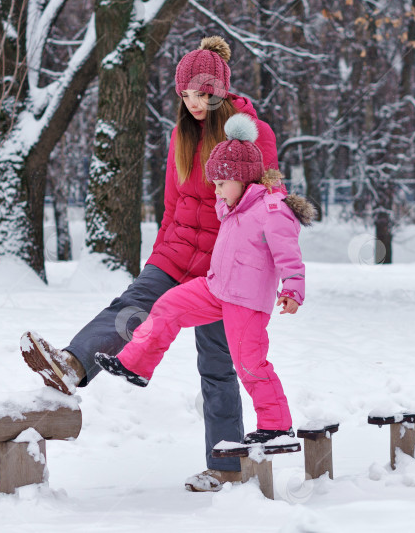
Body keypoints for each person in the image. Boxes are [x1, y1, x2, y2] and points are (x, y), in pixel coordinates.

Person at [20, 36, 279, 492]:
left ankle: (226, 466)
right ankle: (72, 365)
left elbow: (266, 202)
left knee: (216, 362)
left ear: (219, 90)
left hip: (224, 265)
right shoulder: (181, 135)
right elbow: (172, 205)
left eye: (201, 94)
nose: (193, 103)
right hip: (176, 253)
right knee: (134, 303)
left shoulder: (251, 134)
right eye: (185, 95)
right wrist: (158, 259)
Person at [95, 113, 315, 446]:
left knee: (250, 364)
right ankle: (136, 365)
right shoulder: (233, 208)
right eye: (214, 184)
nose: (217, 191)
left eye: (221, 183)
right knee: (168, 305)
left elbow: (289, 256)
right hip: (215, 289)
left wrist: (293, 291)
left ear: (241, 179)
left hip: (247, 302)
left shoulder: (271, 209)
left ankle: (277, 424)